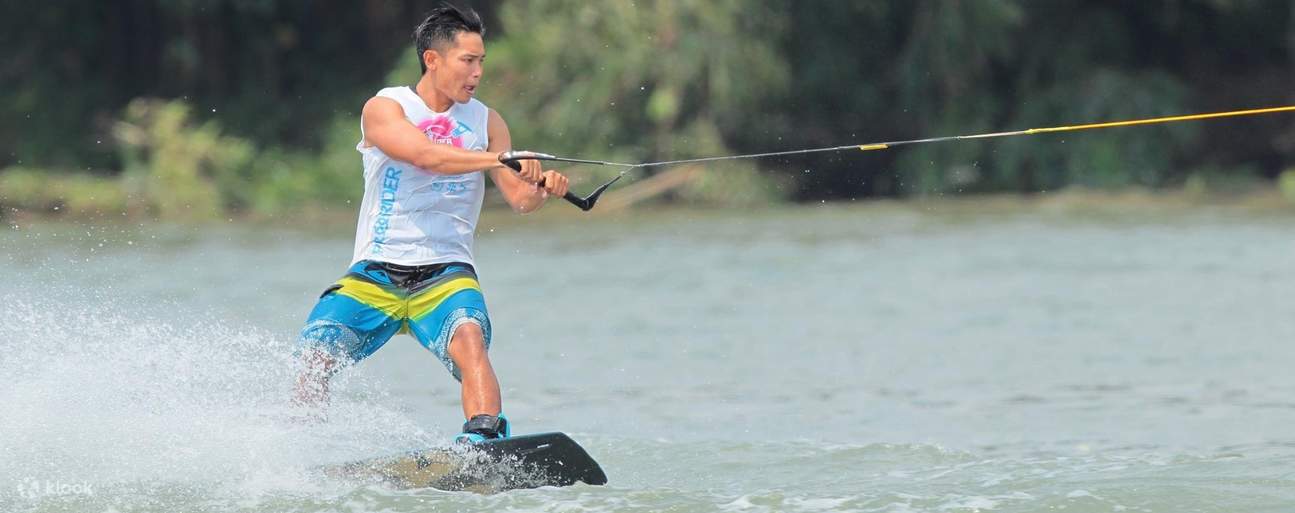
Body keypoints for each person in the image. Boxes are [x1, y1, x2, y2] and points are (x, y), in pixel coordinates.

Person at [293, 4, 569, 444]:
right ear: (433, 59)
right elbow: (427, 157)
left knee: (470, 341)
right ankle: (302, 445)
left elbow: (518, 199)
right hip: (376, 271)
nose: (477, 73)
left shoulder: (487, 121)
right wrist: (500, 158)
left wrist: (540, 186)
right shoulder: (386, 108)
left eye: (482, 62)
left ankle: (482, 444)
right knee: (315, 353)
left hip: (446, 271)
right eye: (468, 61)